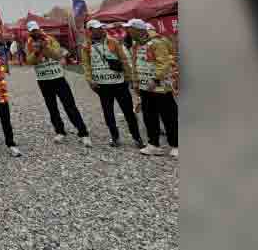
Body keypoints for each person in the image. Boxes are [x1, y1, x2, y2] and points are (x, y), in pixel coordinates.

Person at [23, 21, 92, 146]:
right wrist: (37, 52)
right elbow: (29, 61)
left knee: (69, 105)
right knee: (52, 107)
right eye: (32, 31)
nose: (35, 32)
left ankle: (83, 133)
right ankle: (60, 131)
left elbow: (57, 55)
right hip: (43, 80)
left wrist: (45, 47)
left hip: (58, 77)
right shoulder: (28, 44)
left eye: (36, 29)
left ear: (39, 29)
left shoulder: (50, 39)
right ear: (29, 32)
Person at [81, 20, 144, 148]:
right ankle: (115, 138)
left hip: (119, 83)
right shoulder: (86, 46)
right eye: (96, 28)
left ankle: (137, 138)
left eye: (100, 27)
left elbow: (123, 60)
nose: (100, 30)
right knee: (108, 113)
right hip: (102, 85)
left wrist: (129, 78)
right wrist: (90, 80)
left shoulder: (113, 42)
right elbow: (86, 65)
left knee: (128, 112)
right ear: (90, 31)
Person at [126, 20, 178, 157]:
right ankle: (153, 144)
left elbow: (164, 63)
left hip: (161, 87)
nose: (128, 32)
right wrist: (135, 82)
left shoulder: (157, 42)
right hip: (144, 87)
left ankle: (175, 144)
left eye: (130, 29)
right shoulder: (136, 45)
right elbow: (135, 64)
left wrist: (155, 79)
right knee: (149, 116)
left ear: (138, 30)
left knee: (168, 116)